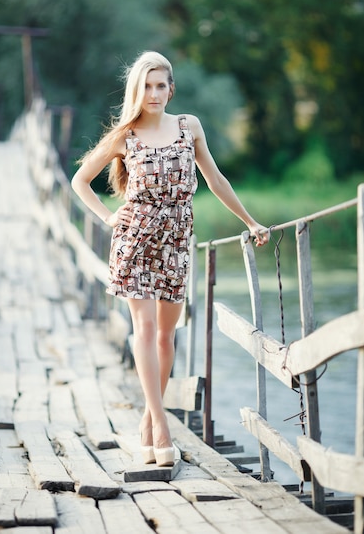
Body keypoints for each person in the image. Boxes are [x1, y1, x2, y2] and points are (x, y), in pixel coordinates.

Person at [71, 51, 269, 467]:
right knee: (143, 330)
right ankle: (161, 428)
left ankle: (147, 419)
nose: (154, 93)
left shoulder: (188, 127)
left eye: (161, 85)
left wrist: (251, 222)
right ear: (136, 91)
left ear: (171, 88)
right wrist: (110, 217)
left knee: (166, 335)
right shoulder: (124, 136)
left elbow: (215, 178)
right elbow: (80, 181)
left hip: (177, 242)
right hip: (135, 241)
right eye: (147, 85)